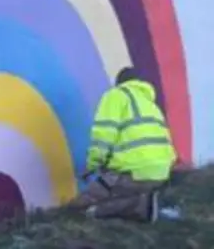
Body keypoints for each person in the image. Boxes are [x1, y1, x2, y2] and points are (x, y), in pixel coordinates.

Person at [67, 66, 177, 222]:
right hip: (161, 174)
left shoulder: (115, 96)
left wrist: (92, 166)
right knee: (120, 192)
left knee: (80, 206)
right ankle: (148, 199)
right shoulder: (151, 105)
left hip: (132, 175)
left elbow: (103, 135)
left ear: (119, 83)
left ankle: (141, 205)